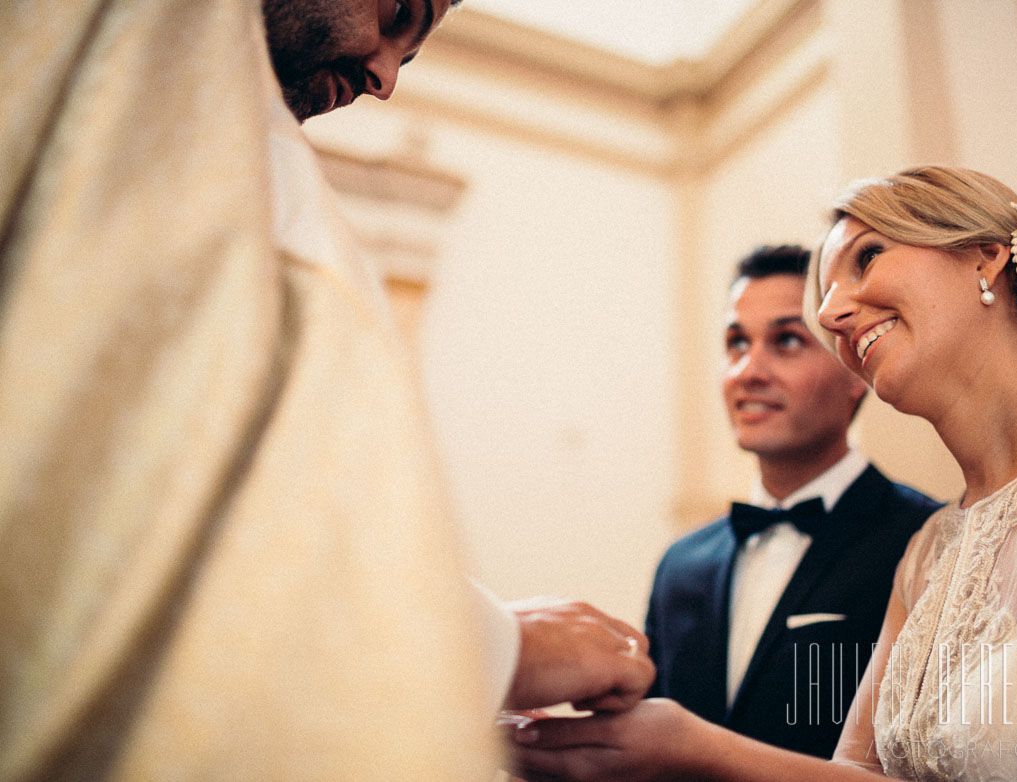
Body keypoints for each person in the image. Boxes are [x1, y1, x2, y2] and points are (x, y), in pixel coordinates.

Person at [0, 1, 652, 779]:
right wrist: (490, 645)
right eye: (397, 14)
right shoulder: (186, 125)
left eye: (409, 58)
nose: (382, 77)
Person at [509, 166, 1017, 781]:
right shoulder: (931, 549)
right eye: (824, 297)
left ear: (985, 256)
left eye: (866, 257)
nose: (829, 314)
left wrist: (693, 745)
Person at [645, 246, 940, 759]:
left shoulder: (923, 540)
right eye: (736, 342)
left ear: (854, 369)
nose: (748, 370)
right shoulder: (680, 565)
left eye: (785, 340)